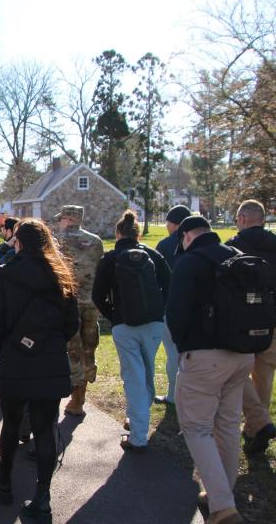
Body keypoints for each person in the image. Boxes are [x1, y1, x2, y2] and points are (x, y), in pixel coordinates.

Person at [0, 218, 79, 521]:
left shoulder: (4, 274)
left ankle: (4, 481)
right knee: (44, 428)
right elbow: (71, 324)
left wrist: (4, 348)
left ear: (19, 242)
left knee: (11, 424)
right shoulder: (61, 275)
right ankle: (42, 494)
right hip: (50, 358)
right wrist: (50, 343)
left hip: (15, 358)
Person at [167, 216, 254, 524]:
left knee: (197, 429)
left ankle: (223, 506)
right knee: (228, 425)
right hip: (243, 354)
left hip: (204, 356)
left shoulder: (190, 263)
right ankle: (222, 494)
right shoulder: (238, 256)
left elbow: (175, 314)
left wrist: (184, 346)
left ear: (187, 235)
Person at [92, 210, 171, 452]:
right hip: (154, 324)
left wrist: (115, 316)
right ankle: (137, 418)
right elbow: (169, 285)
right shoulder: (152, 255)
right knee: (145, 372)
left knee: (134, 377)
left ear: (118, 233)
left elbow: (98, 296)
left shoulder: (111, 258)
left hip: (124, 326)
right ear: (137, 233)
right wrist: (159, 311)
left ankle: (138, 436)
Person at [226, 199, 276, 454]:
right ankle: (255, 429)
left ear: (243, 219)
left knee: (236, 374)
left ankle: (258, 424)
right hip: (272, 319)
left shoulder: (232, 248)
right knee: (264, 376)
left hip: (241, 323)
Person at [53, 205, 104, 417]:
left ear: (67, 218)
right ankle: (80, 397)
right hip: (91, 301)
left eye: (61, 219)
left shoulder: (56, 241)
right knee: (88, 346)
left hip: (67, 302)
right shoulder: (96, 241)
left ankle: (74, 397)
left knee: (71, 349)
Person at [154, 204, 192, 406]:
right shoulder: (198, 244)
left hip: (169, 307)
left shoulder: (164, 245)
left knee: (173, 355)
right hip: (197, 308)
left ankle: (174, 395)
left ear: (174, 223)